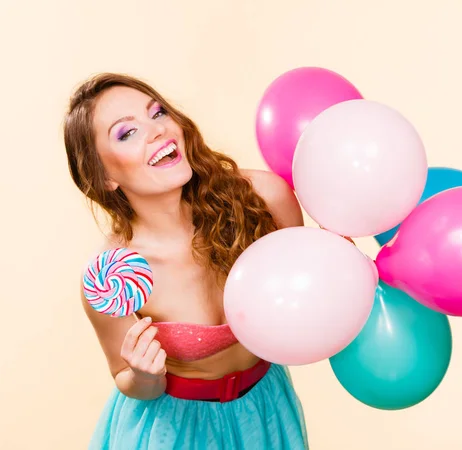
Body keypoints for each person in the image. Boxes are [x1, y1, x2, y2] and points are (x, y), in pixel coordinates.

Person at [64, 73, 309, 449]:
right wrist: (143, 376)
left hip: (265, 409)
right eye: (126, 133)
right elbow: (123, 375)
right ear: (105, 176)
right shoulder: (114, 280)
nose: (157, 131)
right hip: (172, 429)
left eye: (158, 113)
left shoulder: (263, 201)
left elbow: (306, 302)